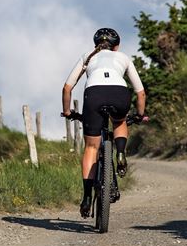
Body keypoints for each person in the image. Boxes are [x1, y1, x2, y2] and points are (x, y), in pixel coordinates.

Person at [62, 28, 147, 217]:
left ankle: (86, 197)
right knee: (119, 121)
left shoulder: (87, 56)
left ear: (96, 44)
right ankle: (121, 154)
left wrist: (68, 112)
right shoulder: (123, 58)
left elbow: (67, 87)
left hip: (94, 94)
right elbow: (141, 93)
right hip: (119, 93)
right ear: (116, 46)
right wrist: (140, 115)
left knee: (91, 148)